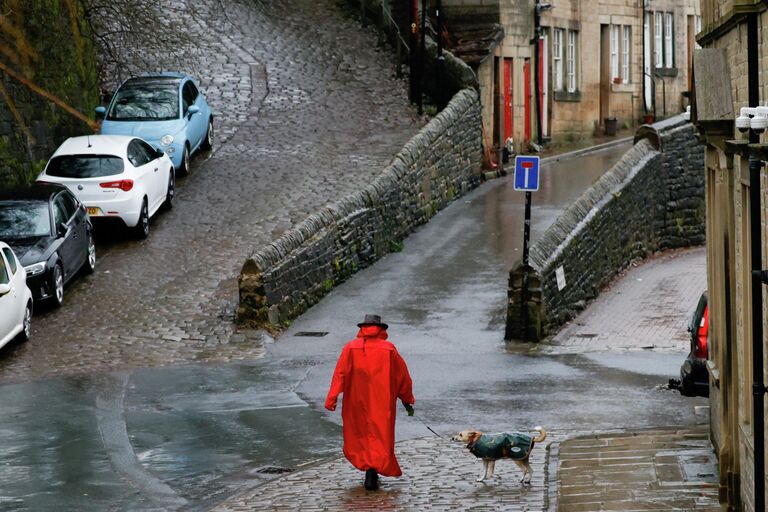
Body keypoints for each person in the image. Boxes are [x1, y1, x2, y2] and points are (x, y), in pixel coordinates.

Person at [325, 314, 415, 491]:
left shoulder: (351, 348)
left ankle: (369, 471)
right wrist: (407, 399)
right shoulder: (388, 349)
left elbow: (340, 374)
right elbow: (402, 377)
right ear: (381, 329)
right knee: (380, 434)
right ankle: (373, 471)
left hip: (355, 401)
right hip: (382, 401)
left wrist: (332, 397)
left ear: (362, 328)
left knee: (359, 434)